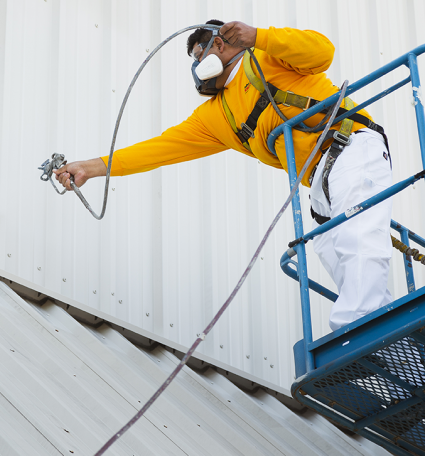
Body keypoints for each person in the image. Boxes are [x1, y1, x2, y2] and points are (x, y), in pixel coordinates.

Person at [55, 20, 393, 331]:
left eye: (198, 53)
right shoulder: (215, 117)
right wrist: (90, 167)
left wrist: (258, 37)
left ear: (220, 45)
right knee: (328, 245)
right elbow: (158, 149)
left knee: (356, 236)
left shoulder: (266, 58)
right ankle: (380, 325)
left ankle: (357, 330)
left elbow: (321, 51)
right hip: (320, 177)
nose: (196, 64)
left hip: (350, 147)